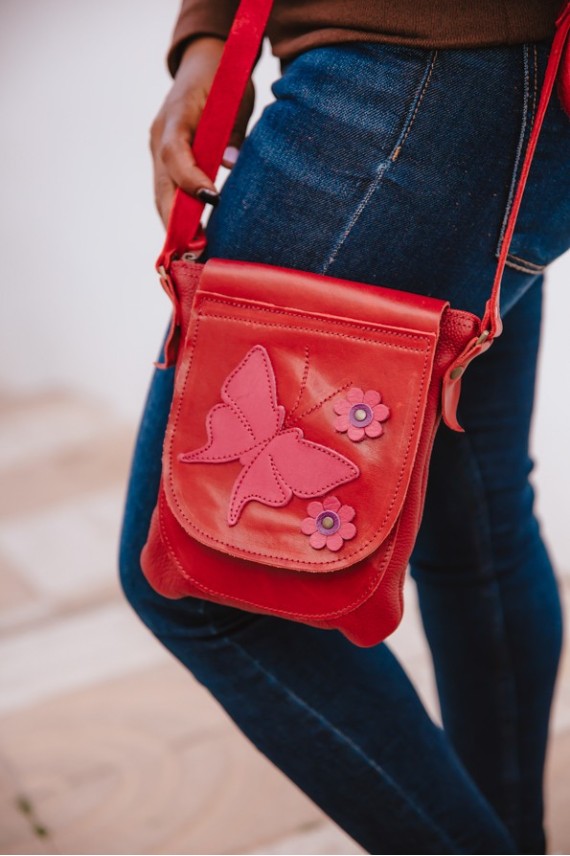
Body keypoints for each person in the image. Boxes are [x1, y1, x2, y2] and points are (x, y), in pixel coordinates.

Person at [120, 1, 570, 852]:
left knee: (200, 579)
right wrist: (212, 32)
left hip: (404, 80)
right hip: (507, 83)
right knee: (475, 531)